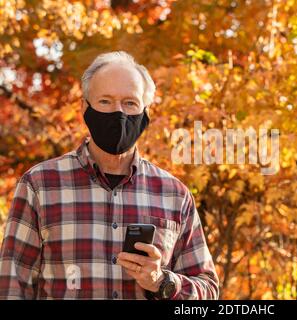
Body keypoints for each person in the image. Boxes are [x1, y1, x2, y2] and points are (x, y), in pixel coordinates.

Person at [0, 51, 219, 300]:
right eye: (105, 101)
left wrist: (161, 281)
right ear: (84, 107)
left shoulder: (174, 195)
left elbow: (209, 290)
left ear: (146, 113)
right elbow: (11, 286)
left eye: (130, 103)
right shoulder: (39, 185)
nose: (119, 114)